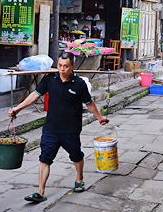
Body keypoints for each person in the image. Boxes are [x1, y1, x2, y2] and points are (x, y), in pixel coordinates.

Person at [8, 52, 108, 202]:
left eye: (65, 66)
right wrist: (18, 108)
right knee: (44, 159)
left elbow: (89, 103)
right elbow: (35, 95)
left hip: (71, 129)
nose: (62, 69)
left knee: (76, 156)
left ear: (72, 66)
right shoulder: (50, 79)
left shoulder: (79, 84)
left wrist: (100, 117)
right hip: (51, 129)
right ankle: (40, 191)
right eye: (60, 65)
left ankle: (79, 179)